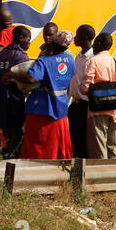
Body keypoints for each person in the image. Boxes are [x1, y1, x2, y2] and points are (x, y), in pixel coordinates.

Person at [13, 23, 75, 159]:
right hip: (61, 109)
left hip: (42, 109)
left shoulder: (45, 61)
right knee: (57, 147)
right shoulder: (71, 60)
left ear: (53, 44)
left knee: (38, 146)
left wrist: (12, 74)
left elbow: (31, 78)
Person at [81, 31, 116, 158]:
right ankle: (113, 174)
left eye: (95, 43)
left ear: (99, 43)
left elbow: (85, 88)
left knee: (99, 145)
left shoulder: (93, 62)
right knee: (113, 146)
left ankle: (100, 175)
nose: (93, 46)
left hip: (97, 109)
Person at [0, 25, 32, 157]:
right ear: (20, 38)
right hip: (14, 99)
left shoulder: (2, 53)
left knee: (6, 129)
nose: (29, 43)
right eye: (28, 39)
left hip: (0, 98)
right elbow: (24, 81)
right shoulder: (21, 56)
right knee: (18, 130)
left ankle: (7, 152)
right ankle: (11, 156)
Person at [67, 24, 95, 157]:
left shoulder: (93, 57)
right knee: (74, 140)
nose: (74, 38)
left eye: (77, 35)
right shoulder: (78, 55)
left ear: (85, 37)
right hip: (75, 104)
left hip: (86, 106)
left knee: (84, 141)